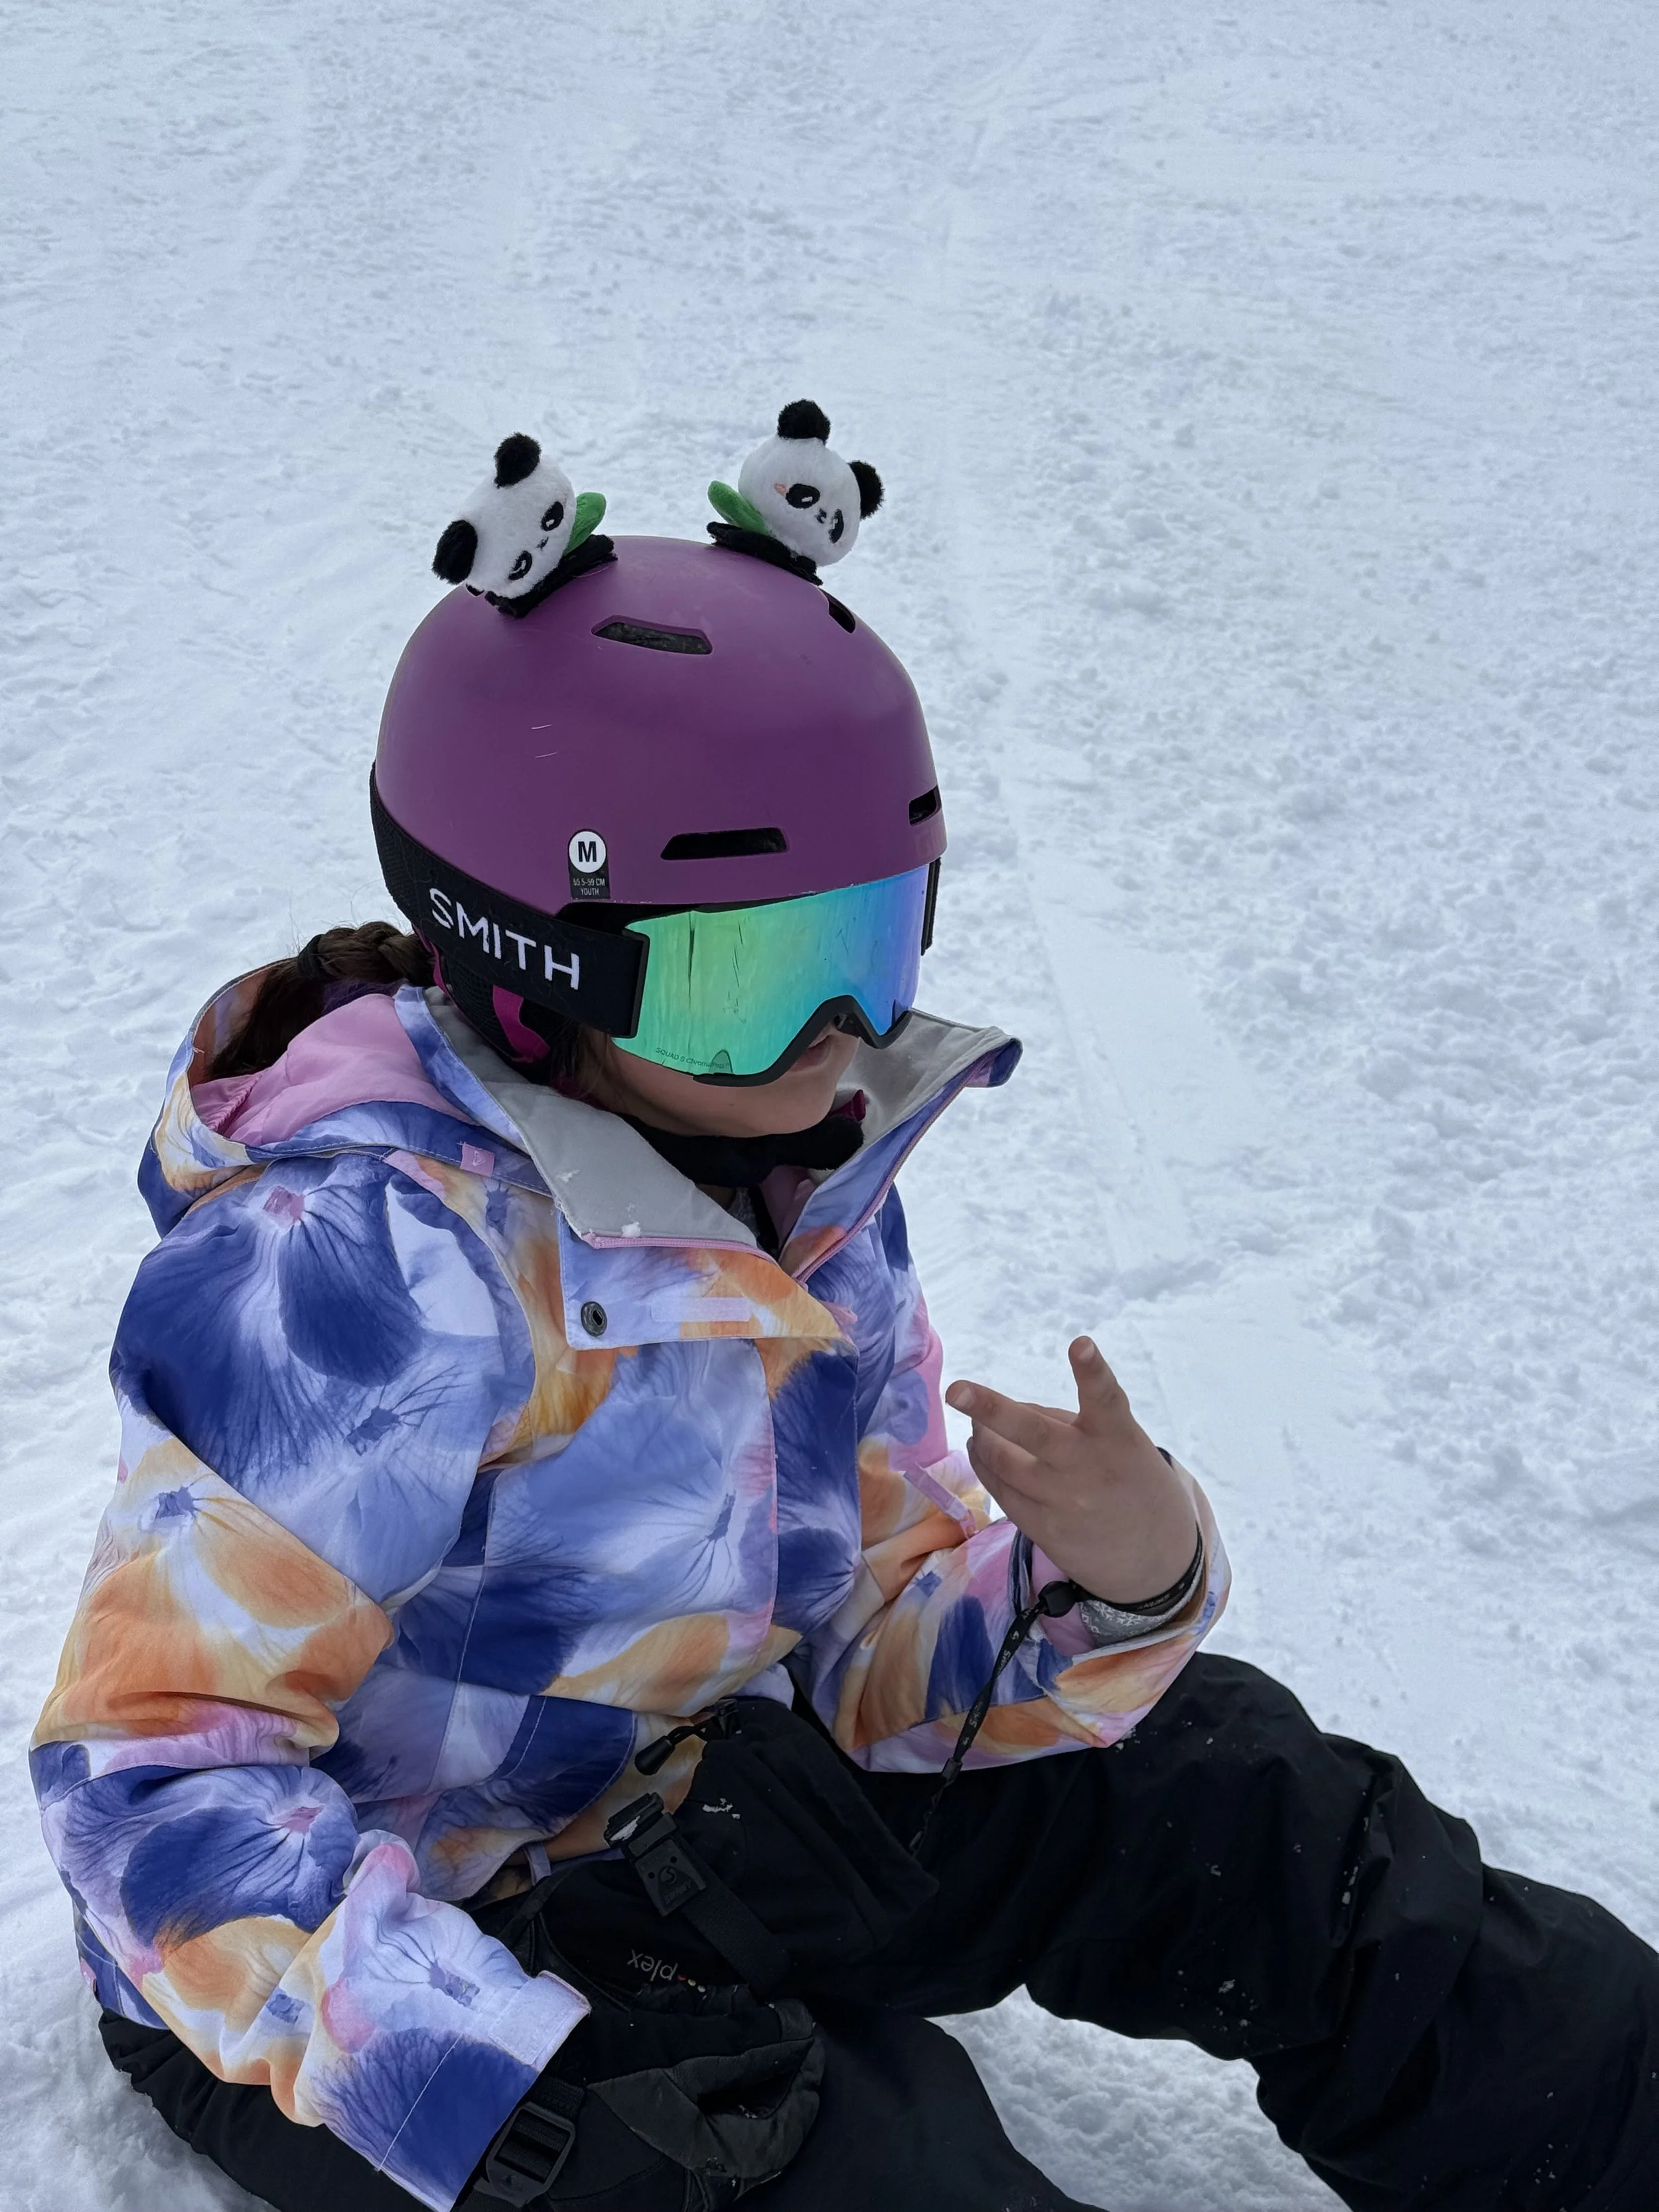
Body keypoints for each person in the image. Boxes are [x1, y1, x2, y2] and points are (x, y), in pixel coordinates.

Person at [33, 472, 1659, 2212]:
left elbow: (867, 1618)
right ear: (530, 965)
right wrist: (494, 2076)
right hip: (371, 1961)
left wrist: (1099, 1584)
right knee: (854, 2165)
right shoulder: (353, 1264)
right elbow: (151, 1773)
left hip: (694, 1807)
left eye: (872, 945)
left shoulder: (789, 1170)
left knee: (1241, 1797)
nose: (837, 1038)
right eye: (751, 975)